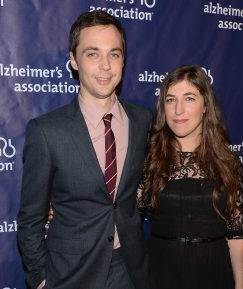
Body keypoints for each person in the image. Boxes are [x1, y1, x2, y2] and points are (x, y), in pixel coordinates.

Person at [17, 11, 152, 289]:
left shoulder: (142, 121)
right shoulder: (46, 131)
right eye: (93, 54)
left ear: (123, 60)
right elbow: (31, 218)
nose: (105, 66)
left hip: (130, 270)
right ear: (74, 60)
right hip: (70, 274)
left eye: (114, 54)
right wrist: (40, 279)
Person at [138, 65, 243, 289]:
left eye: (189, 98)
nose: (178, 110)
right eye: (170, 100)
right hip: (162, 273)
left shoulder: (228, 161)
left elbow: (235, 231)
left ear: (205, 105)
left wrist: (240, 284)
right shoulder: (150, 159)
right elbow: (125, 212)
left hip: (214, 272)